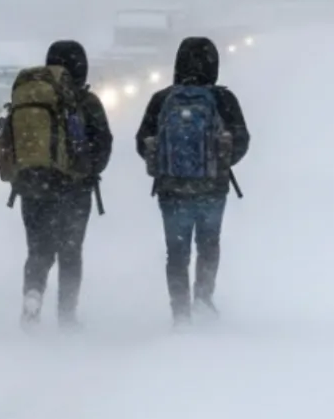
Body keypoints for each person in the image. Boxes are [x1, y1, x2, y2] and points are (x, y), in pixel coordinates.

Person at [135, 36, 249, 325]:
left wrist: (165, 163)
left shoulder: (162, 99)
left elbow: (141, 141)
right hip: (212, 188)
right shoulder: (223, 99)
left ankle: (180, 312)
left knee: (176, 251)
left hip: (171, 189)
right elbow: (242, 140)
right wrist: (219, 164)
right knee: (208, 244)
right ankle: (203, 297)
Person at [15, 40, 113, 329]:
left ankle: (32, 297)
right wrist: (89, 169)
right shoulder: (86, 102)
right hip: (74, 189)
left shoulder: (30, 95)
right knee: (70, 252)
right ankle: (67, 315)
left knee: (38, 251)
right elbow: (103, 143)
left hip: (33, 186)